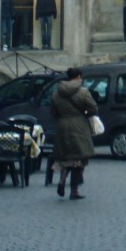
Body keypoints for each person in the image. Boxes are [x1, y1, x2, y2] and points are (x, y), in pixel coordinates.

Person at [50, 67, 97, 200]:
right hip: (79, 126)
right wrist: (85, 114)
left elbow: (53, 112)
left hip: (63, 126)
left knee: (65, 157)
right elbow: (93, 108)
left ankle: (62, 180)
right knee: (79, 158)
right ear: (78, 77)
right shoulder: (83, 92)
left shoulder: (56, 93)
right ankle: (74, 190)